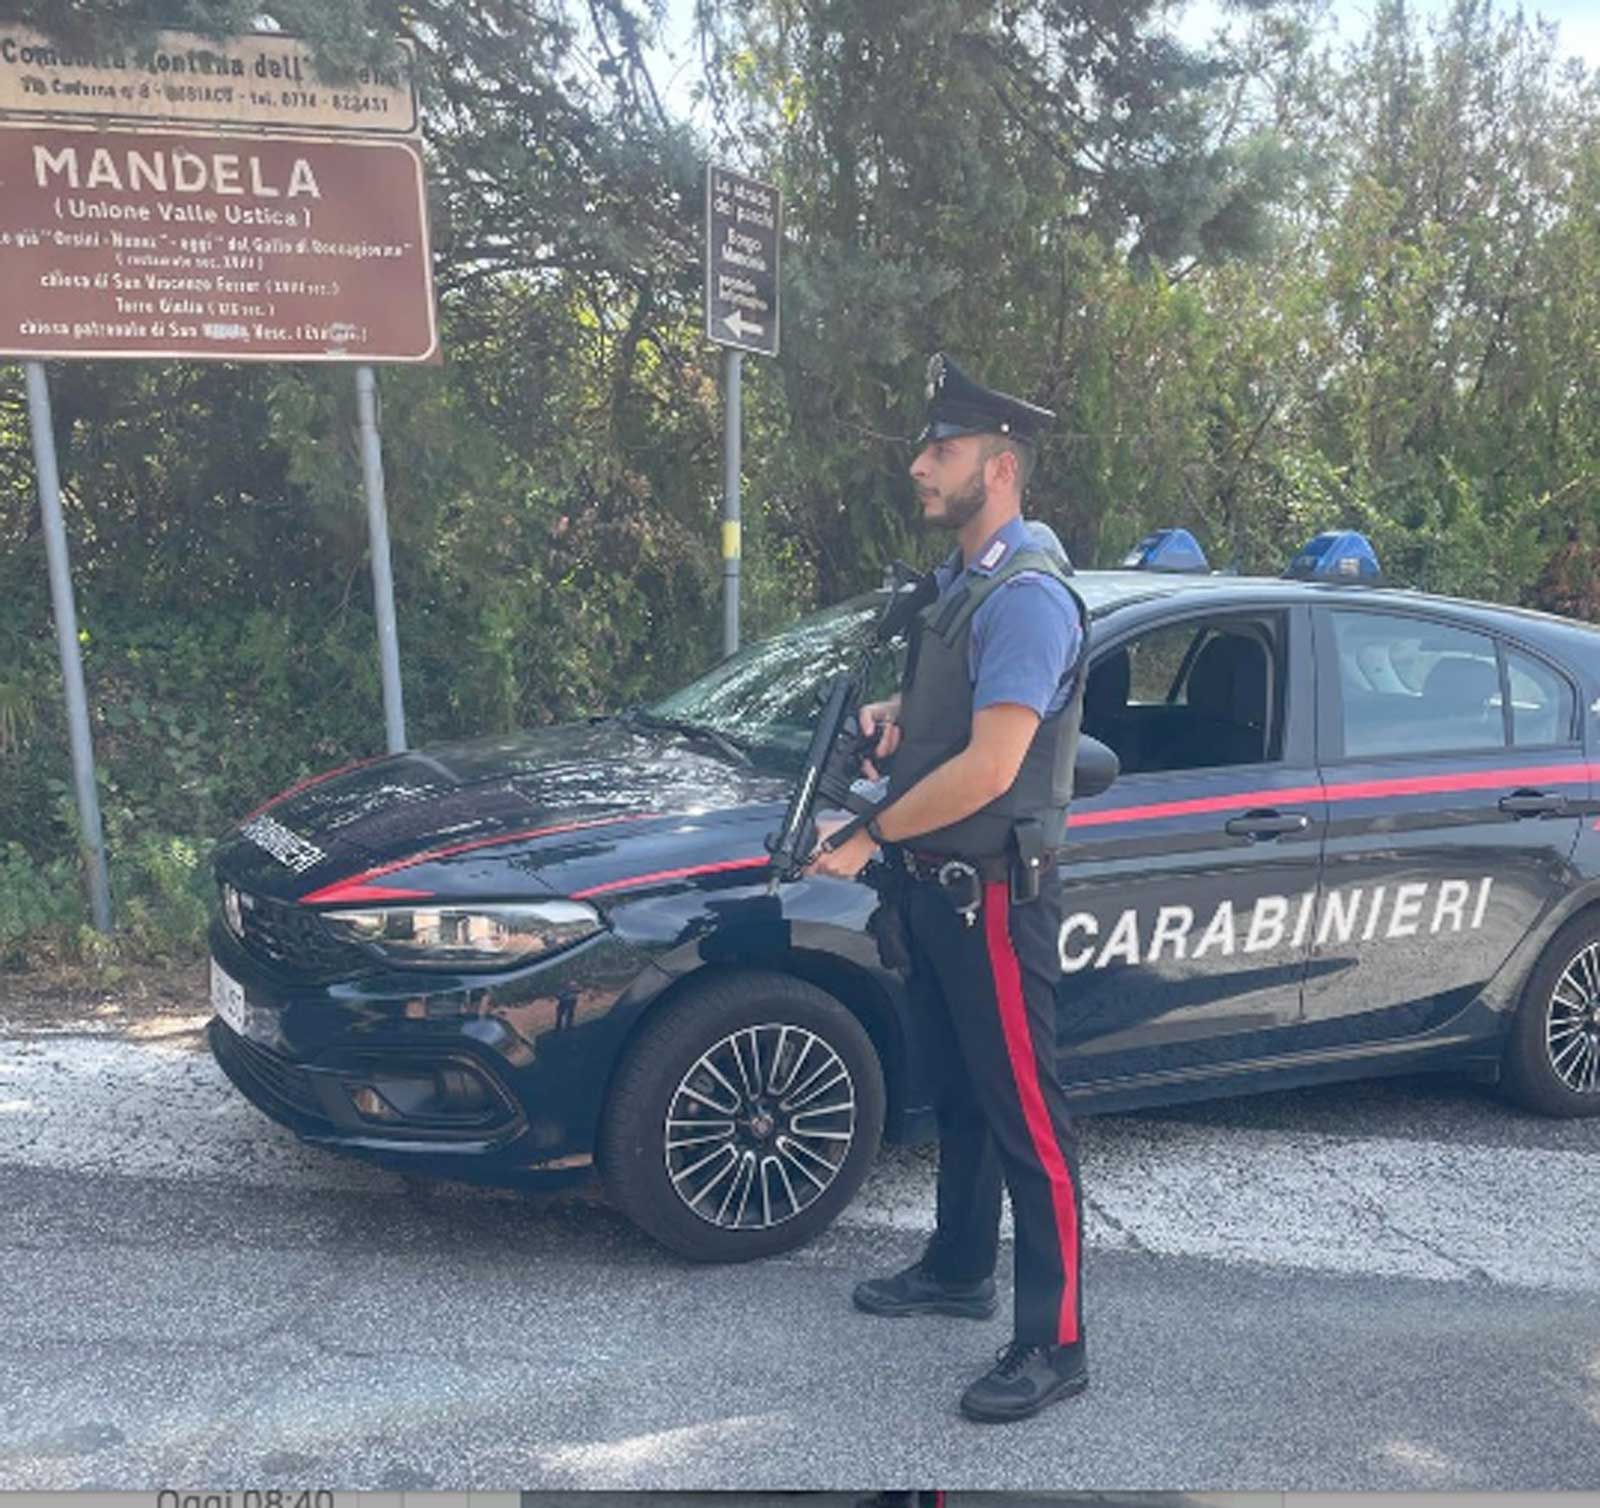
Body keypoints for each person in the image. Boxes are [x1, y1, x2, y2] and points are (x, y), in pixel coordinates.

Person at [806, 352, 1090, 1424]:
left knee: (1028, 1115)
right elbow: (952, 727)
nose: (919, 466)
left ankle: (1054, 1341)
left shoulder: (1027, 597)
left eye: (942, 450)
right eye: (926, 446)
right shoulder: (968, 588)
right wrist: (893, 715)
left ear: (1000, 466)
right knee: (965, 1096)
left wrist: (861, 833)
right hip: (940, 886)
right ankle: (958, 1268)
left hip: (995, 894)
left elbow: (990, 767)